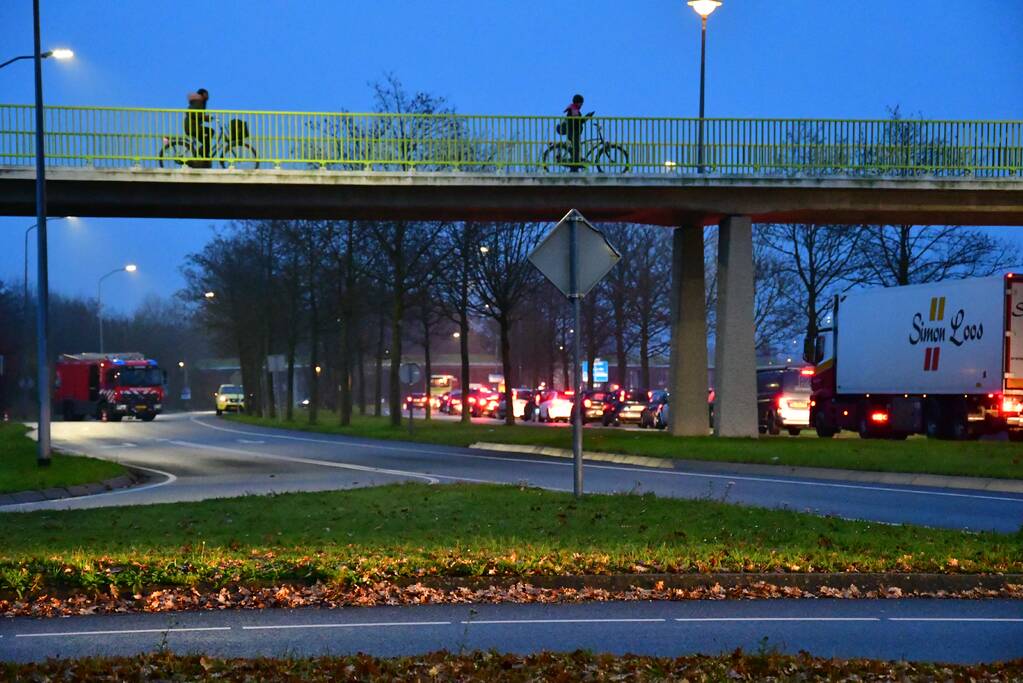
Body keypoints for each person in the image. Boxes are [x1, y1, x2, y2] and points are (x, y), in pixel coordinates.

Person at [184, 88, 212, 168]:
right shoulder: (198, 102)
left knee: (208, 135)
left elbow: (198, 114)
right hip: (192, 127)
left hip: (194, 126)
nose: (208, 96)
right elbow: (192, 113)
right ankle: (202, 154)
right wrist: (205, 118)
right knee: (209, 133)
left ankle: (203, 154)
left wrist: (205, 117)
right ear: (202, 95)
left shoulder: (201, 102)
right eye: (206, 94)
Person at [563, 94, 589, 172]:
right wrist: (586, 118)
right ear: (578, 102)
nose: (582, 105)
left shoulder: (574, 109)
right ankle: (574, 165)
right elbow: (577, 121)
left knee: (576, 148)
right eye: (581, 103)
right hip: (573, 132)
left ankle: (575, 164)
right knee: (576, 148)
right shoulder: (574, 109)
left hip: (574, 132)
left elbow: (578, 120)